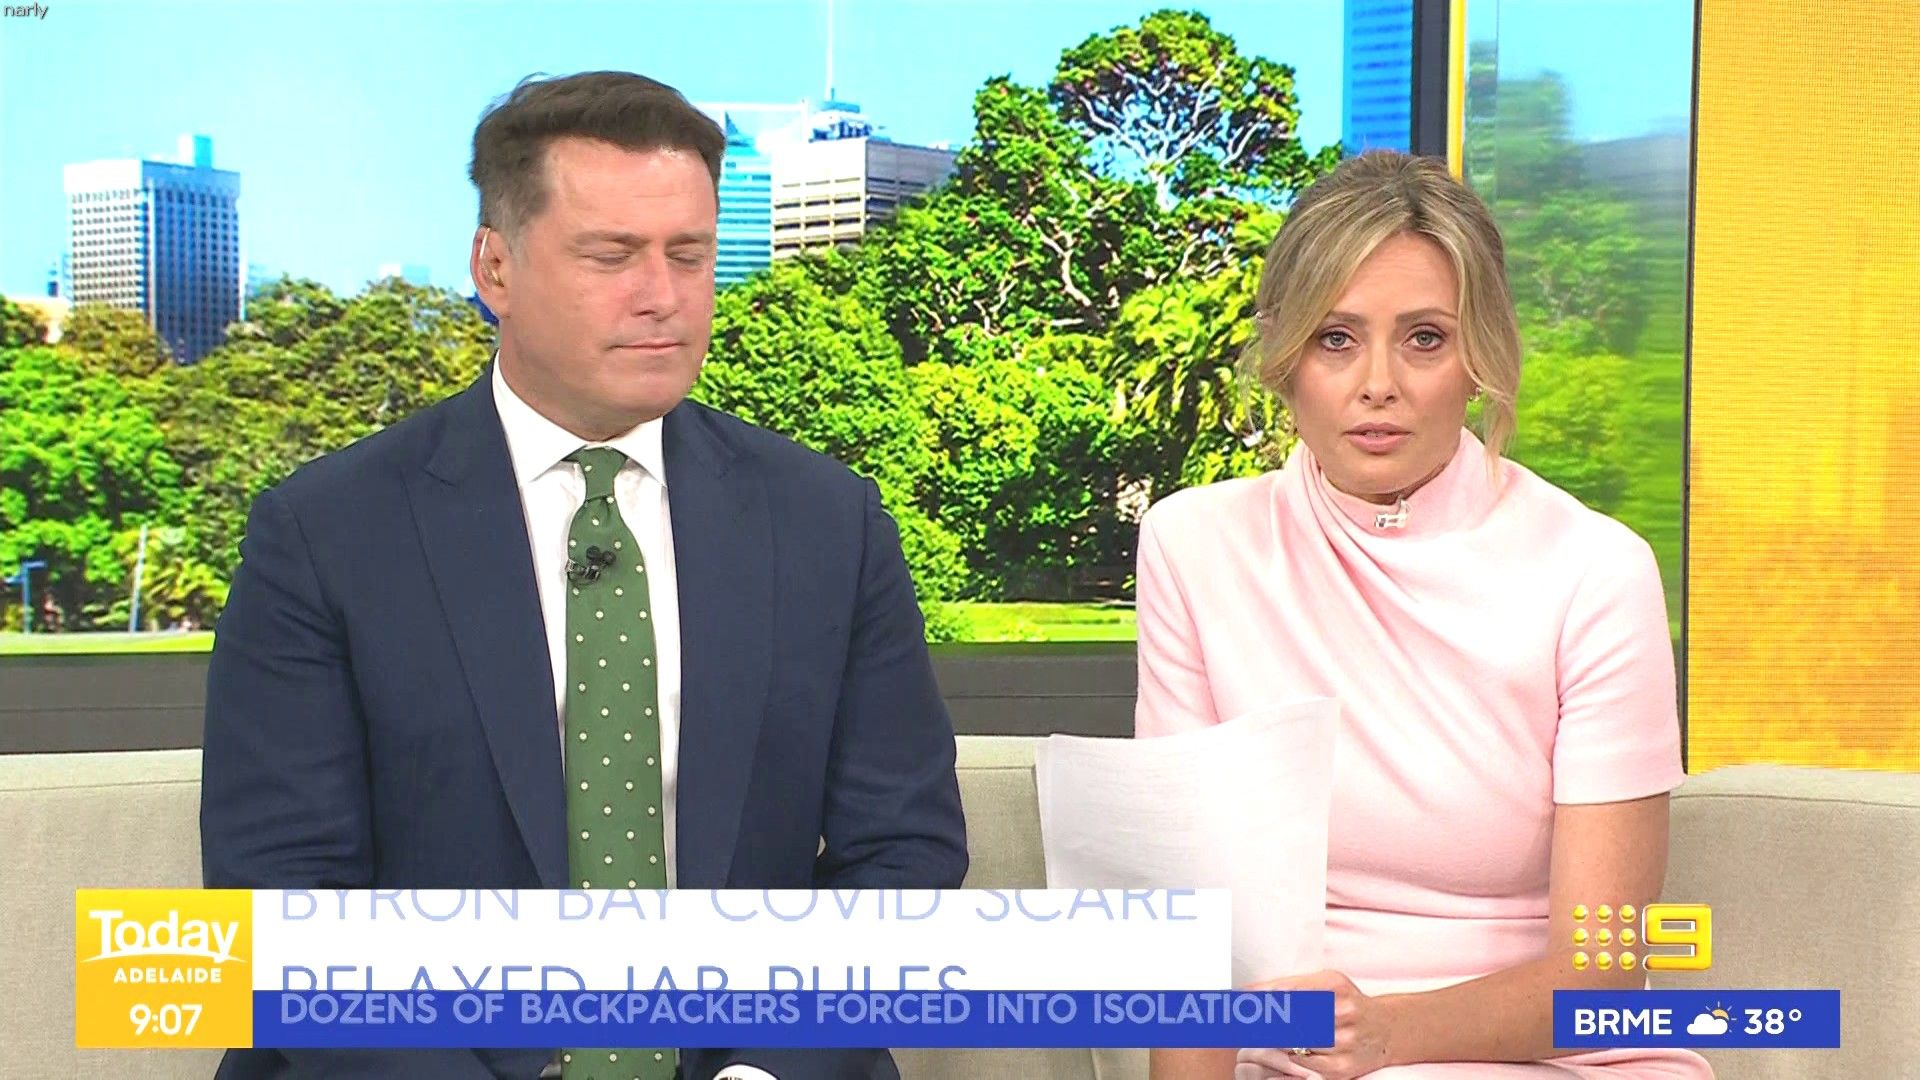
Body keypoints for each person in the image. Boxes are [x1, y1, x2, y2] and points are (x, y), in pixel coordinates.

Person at [201, 71, 967, 1080]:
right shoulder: (325, 532)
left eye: (689, 255)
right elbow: (283, 903)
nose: (662, 296)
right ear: (496, 266)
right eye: (611, 256)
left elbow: (903, 853)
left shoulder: (829, 522)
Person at [1133, 151, 1710, 1080]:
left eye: (1425, 339)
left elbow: (1602, 977)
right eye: (1336, 338)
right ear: (1284, 359)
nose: (1378, 384)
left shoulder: (1595, 571)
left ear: (1479, 358)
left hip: (1551, 1057)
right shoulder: (1194, 545)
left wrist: (1389, 1036)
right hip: (1297, 1058)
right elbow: (1194, 920)